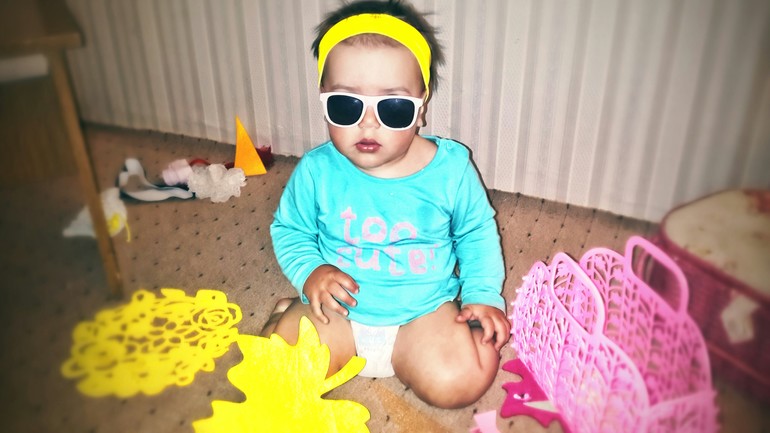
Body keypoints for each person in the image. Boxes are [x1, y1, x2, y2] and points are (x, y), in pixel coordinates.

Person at [261, 0, 510, 409]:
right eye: (346, 105)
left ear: (421, 106)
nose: (368, 122)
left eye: (393, 108)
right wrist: (309, 271)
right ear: (324, 99)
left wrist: (482, 295)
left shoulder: (451, 170)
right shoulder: (317, 170)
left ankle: (443, 348)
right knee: (277, 374)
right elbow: (291, 229)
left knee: (460, 381)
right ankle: (284, 313)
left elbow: (476, 233)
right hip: (337, 312)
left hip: (424, 314)